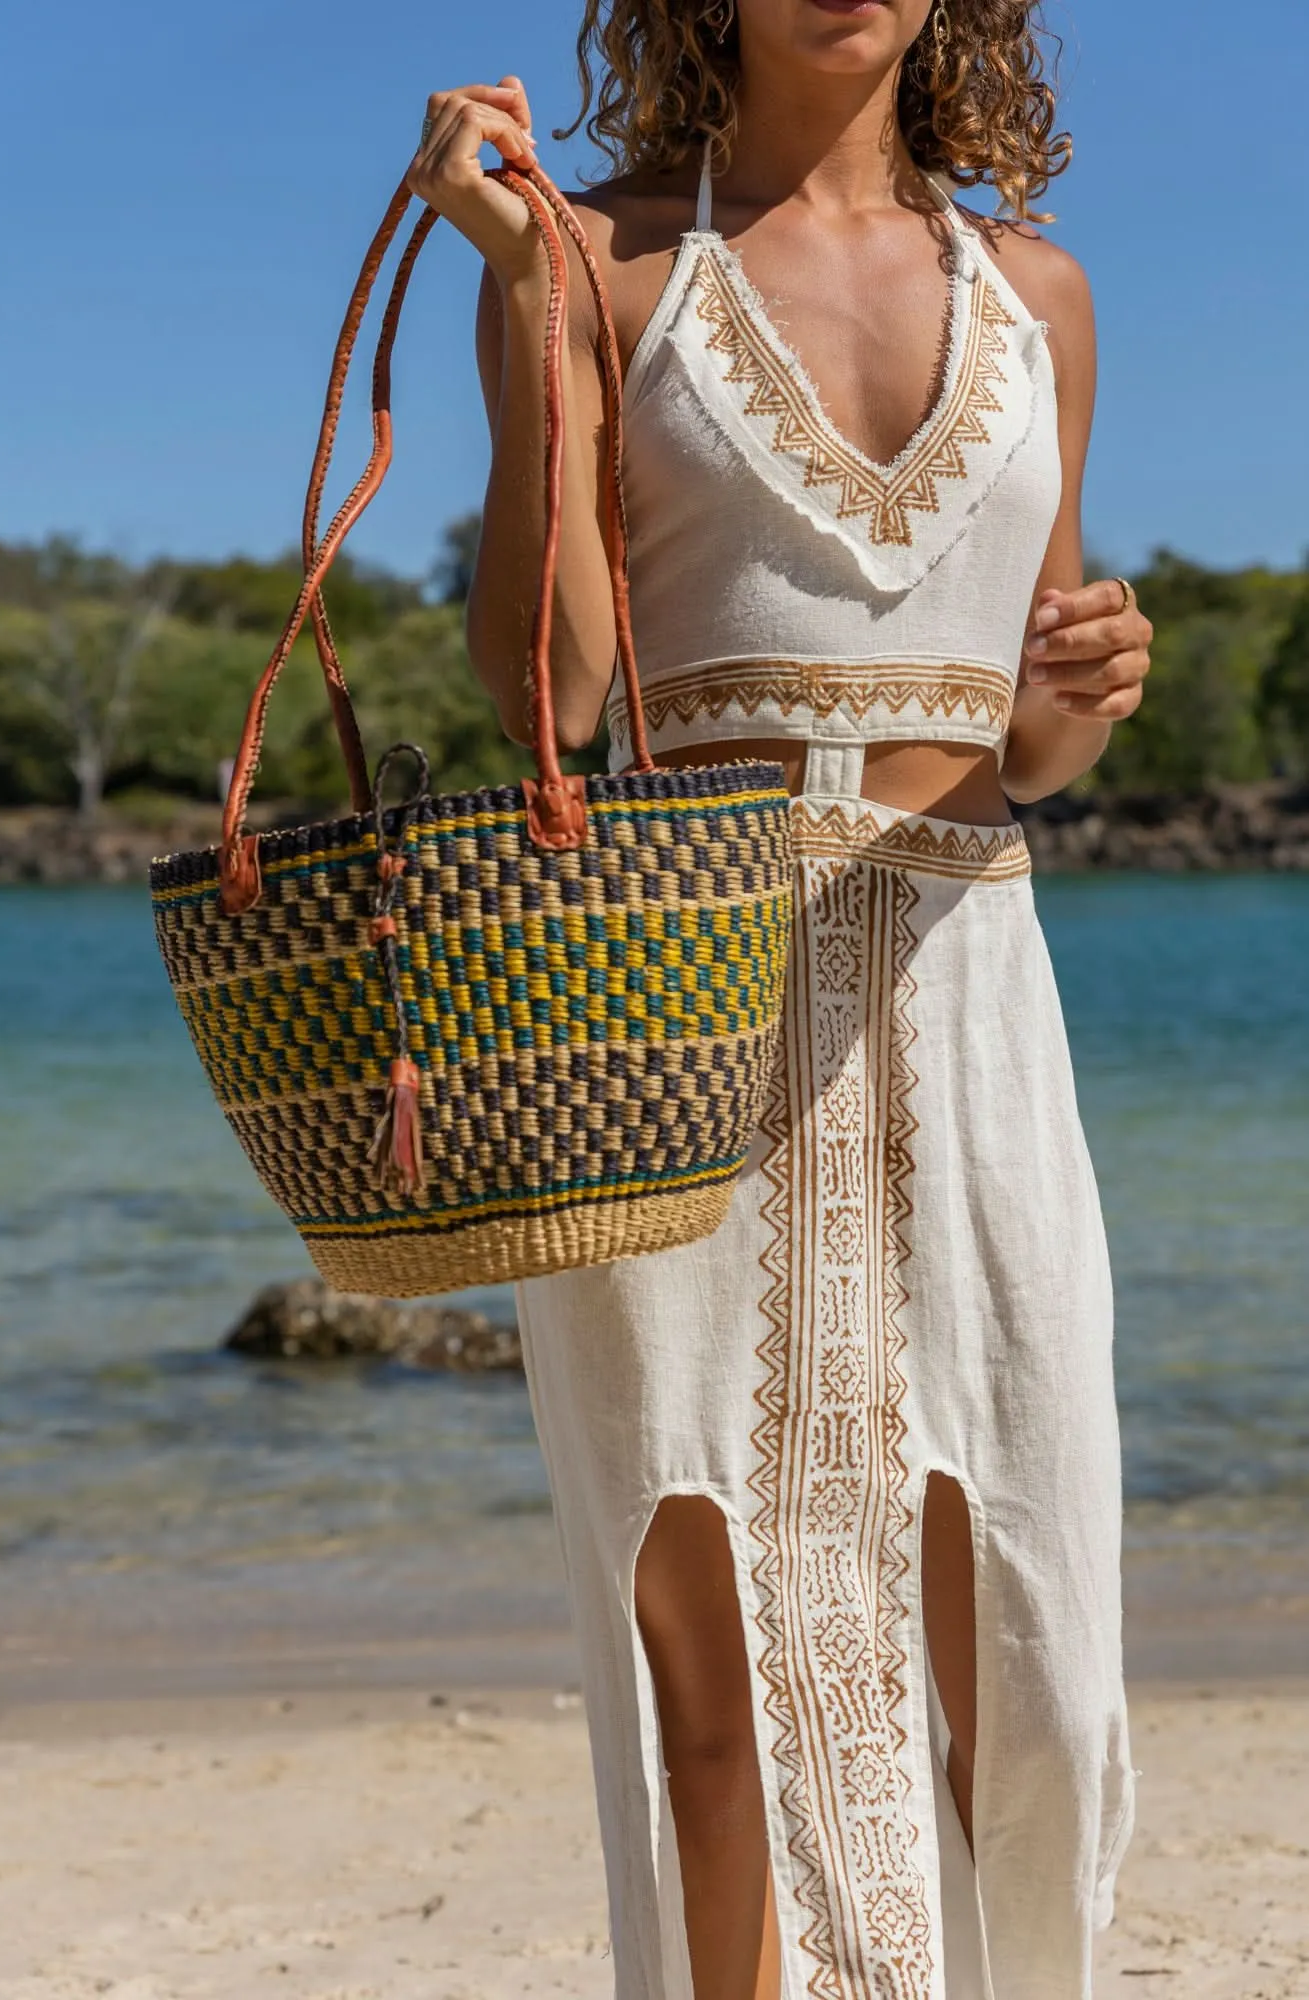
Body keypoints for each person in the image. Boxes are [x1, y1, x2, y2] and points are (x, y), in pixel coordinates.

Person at [409, 3, 1152, 1994]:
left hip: (971, 977)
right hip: (670, 996)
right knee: (717, 1695)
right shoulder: (600, 258)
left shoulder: (1042, 293)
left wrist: (1084, 690)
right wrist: (533, 304)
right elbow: (557, 697)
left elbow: (1030, 730)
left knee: (1032, 1661)